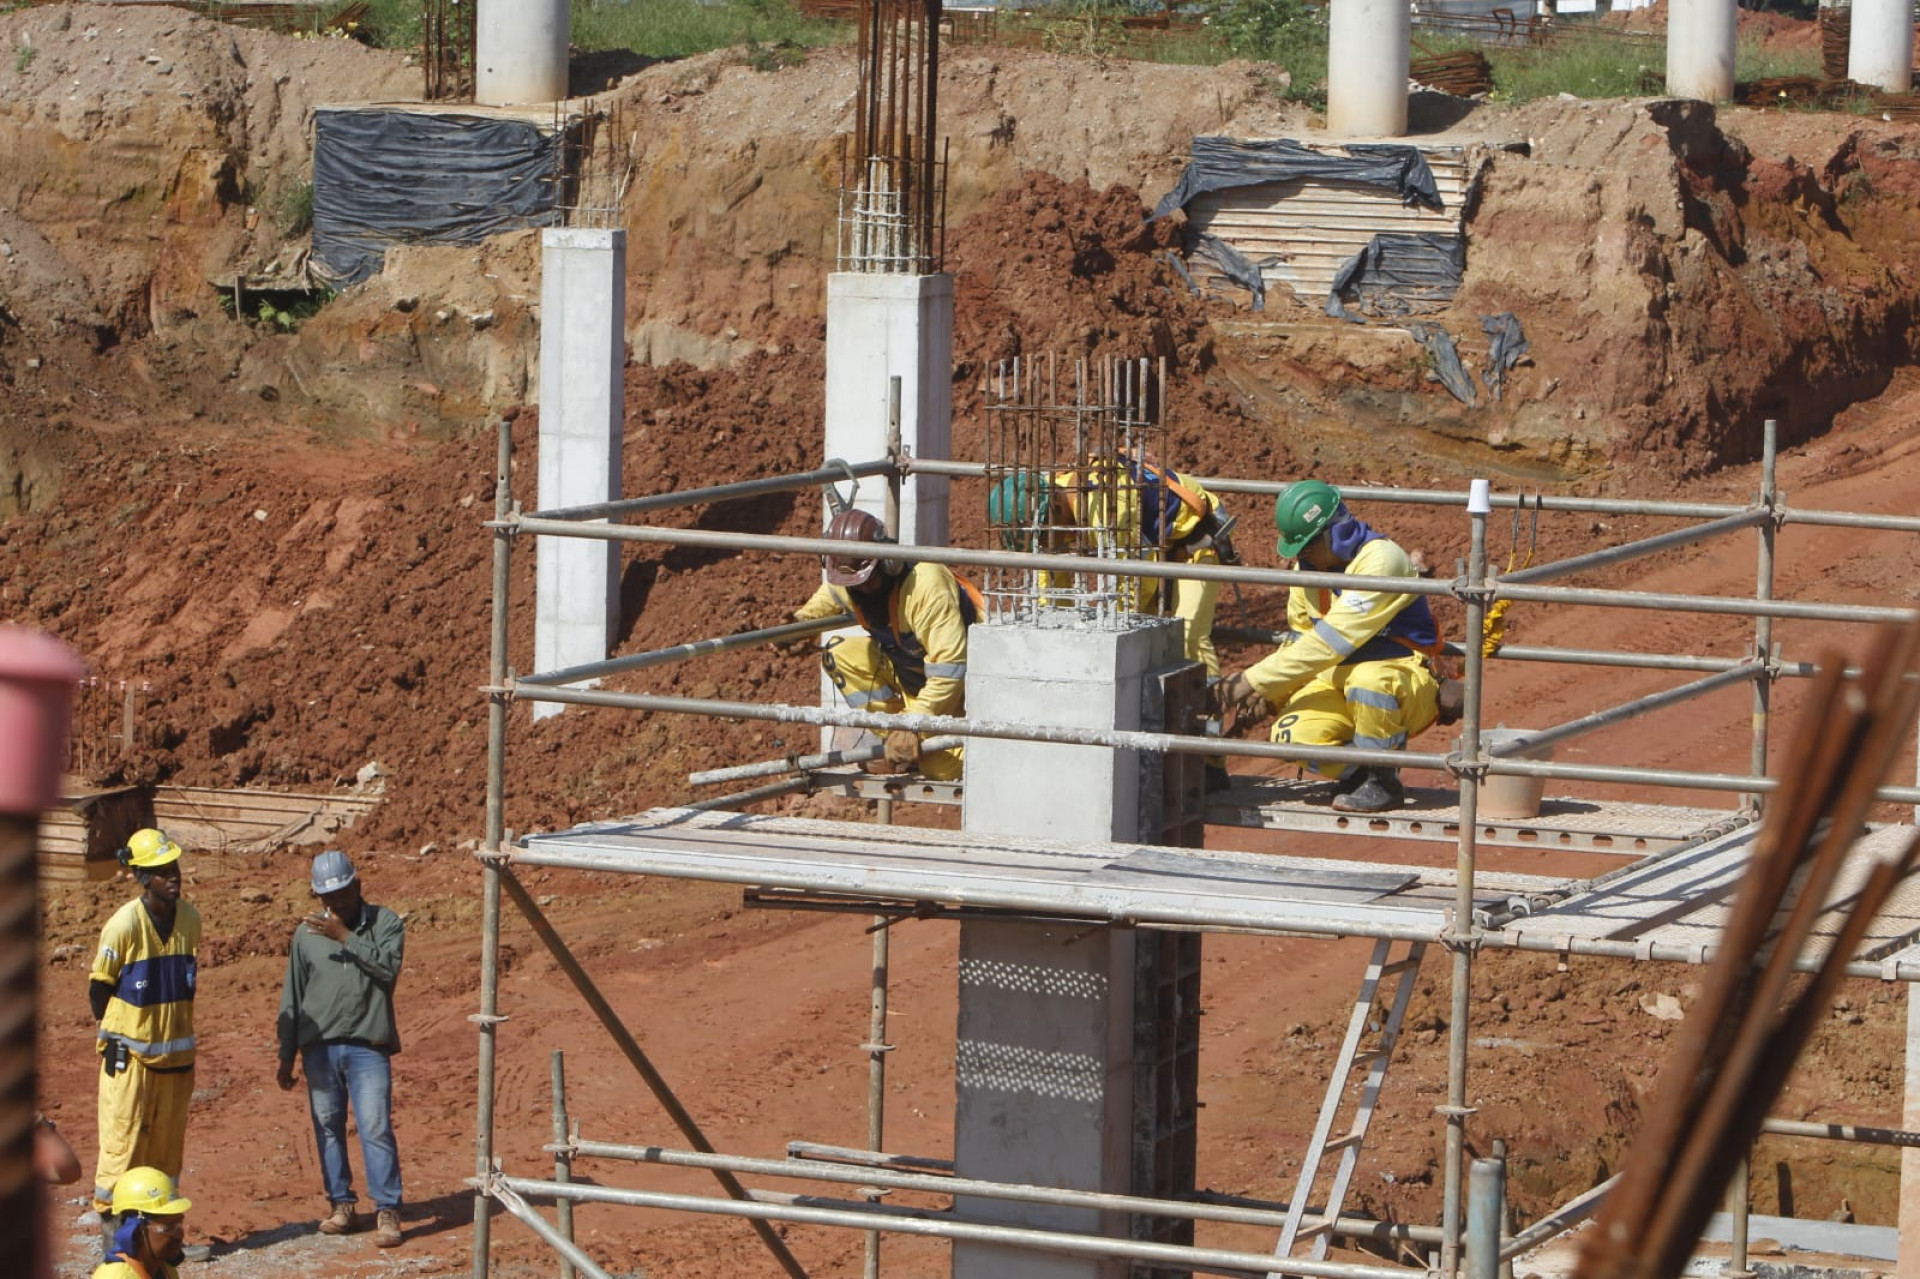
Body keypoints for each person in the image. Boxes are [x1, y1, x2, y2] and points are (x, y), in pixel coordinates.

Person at [1217, 480, 1453, 813]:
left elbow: (1330, 643)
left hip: (1405, 675)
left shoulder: (1381, 560)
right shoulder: (1307, 570)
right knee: (1289, 736)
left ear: (1335, 532)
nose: (1302, 555)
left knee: (1369, 681)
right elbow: (1302, 640)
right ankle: (1360, 772)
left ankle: (1383, 781)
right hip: (1336, 679)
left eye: (1307, 545)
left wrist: (1248, 682)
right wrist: (1272, 695)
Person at [989, 456, 1237, 679]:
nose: (1043, 546)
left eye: (1042, 539)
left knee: (1186, 636)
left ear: (1056, 508)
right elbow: (1051, 574)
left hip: (1196, 539)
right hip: (1153, 547)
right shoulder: (1059, 496)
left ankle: (1209, 701)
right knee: (1149, 644)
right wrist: (1052, 627)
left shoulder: (1108, 514)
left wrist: (1105, 640)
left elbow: (1137, 584)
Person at [276, 849, 406, 1249]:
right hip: (320, 1049)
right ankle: (341, 1205)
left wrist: (345, 938)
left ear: (358, 886)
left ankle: (387, 1209)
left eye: (343, 894)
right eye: (328, 897)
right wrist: (286, 1054)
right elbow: (293, 995)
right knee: (328, 1127)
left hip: (369, 1045)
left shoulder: (386, 923)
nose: (337, 903)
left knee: (375, 1126)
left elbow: (388, 969)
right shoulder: (306, 935)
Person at [792, 509, 982, 781]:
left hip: (964, 691)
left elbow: (951, 671)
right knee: (840, 654)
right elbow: (832, 594)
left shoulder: (925, 586)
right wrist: (801, 625)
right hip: (914, 678)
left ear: (888, 563)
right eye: (851, 583)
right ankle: (895, 742)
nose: (859, 591)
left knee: (941, 769)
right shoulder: (851, 582)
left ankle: (912, 744)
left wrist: (913, 723)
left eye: (865, 582)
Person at [89, 829, 200, 1229]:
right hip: (130, 1063)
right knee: (122, 1147)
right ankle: (115, 1240)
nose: (173, 876)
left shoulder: (190, 920)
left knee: (166, 1152)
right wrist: (121, 1034)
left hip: (176, 1061)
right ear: (142, 877)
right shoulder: (123, 925)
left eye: (173, 867)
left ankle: (162, 1240)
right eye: (161, 870)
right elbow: (99, 990)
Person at [92, 1166, 191, 1279]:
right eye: (168, 1228)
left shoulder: (165, 1269)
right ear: (138, 1233)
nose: (179, 1235)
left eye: (179, 1224)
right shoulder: (115, 1276)